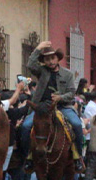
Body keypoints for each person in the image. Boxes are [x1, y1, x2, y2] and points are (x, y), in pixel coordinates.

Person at [22, 41, 83, 173]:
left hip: (62, 106)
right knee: (26, 126)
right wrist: (38, 48)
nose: (50, 61)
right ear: (44, 61)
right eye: (47, 59)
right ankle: (28, 157)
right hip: (41, 107)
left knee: (77, 124)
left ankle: (78, 157)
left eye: (52, 58)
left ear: (57, 58)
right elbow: (30, 64)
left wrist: (60, 97)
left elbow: (72, 92)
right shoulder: (41, 71)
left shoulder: (68, 74)